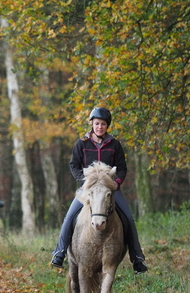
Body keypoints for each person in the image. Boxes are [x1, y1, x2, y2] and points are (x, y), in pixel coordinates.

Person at [50, 107, 148, 274]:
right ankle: (59, 253)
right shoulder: (81, 143)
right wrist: (84, 181)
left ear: (107, 126)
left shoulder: (115, 145)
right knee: (69, 217)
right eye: (97, 123)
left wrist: (116, 183)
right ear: (92, 124)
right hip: (87, 190)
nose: (99, 127)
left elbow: (122, 168)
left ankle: (137, 258)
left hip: (110, 190)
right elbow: (73, 165)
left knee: (129, 219)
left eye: (103, 124)